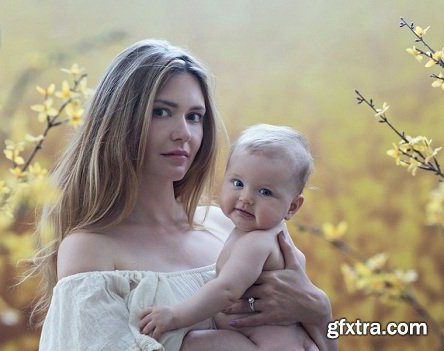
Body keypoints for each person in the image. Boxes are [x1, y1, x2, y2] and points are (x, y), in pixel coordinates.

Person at [31, 39, 337, 351]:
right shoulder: (91, 249)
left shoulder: (233, 226)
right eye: (162, 112)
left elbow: (318, 344)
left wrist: (319, 311)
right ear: (119, 121)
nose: (184, 133)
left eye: (194, 117)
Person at [139, 124, 318, 351]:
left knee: (192, 343)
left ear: (292, 206)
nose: (246, 198)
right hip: (279, 341)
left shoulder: (258, 242)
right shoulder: (272, 235)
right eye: (238, 183)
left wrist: (175, 316)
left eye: (265, 192)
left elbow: (226, 290)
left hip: (263, 346)